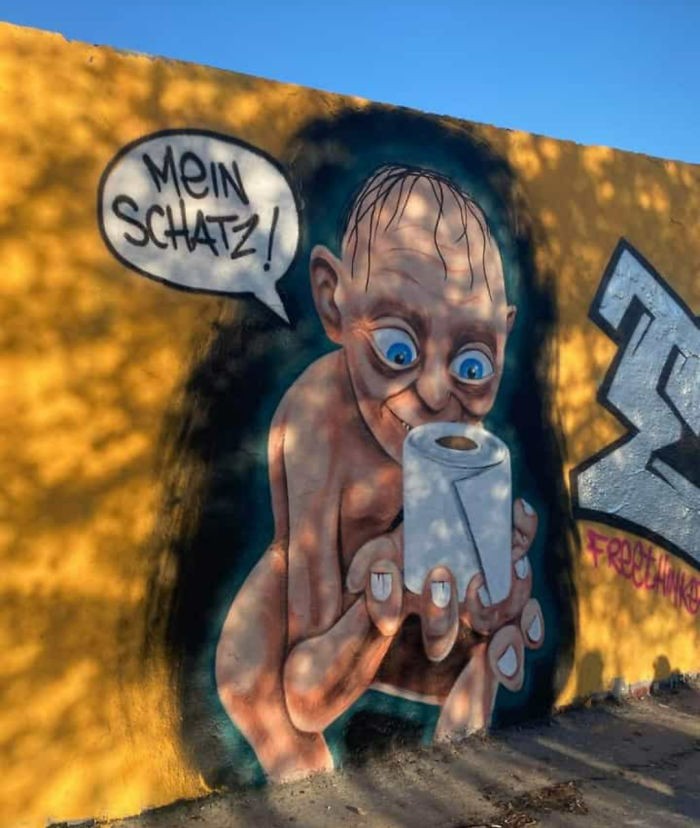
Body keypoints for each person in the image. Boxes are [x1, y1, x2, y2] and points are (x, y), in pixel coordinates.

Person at [215, 164, 544, 781]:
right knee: (245, 673)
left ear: (504, 335)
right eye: (398, 348)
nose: (436, 392)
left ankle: (470, 706)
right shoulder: (319, 422)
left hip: (397, 611)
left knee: (480, 618)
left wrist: (487, 576)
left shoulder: (468, 444)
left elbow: (464, 590)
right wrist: (381, 607)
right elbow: (308, 696)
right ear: (332, 300)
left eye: (474, 364)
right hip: (315, 612)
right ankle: (314, 795)